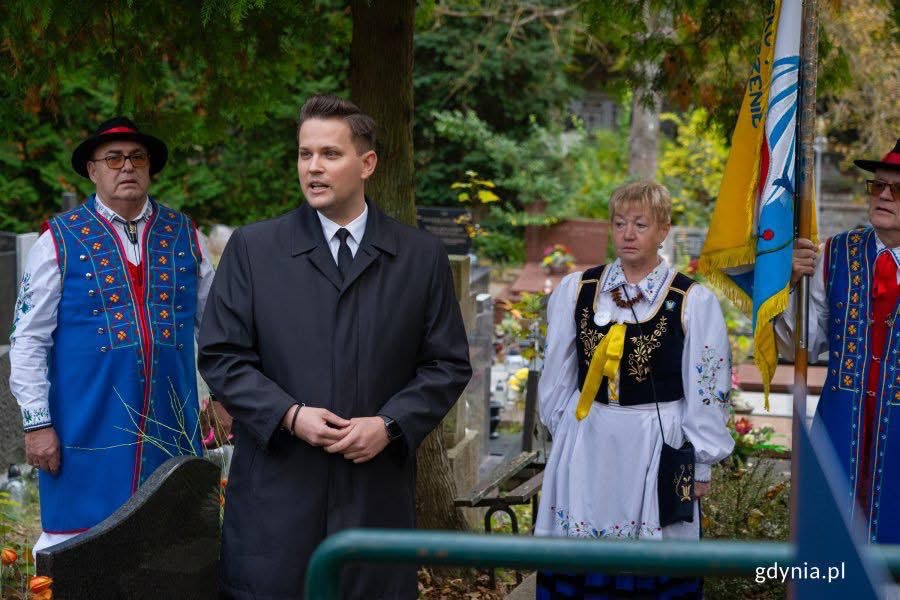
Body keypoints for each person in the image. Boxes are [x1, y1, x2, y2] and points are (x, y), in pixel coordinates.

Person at [198, 94, 472, 599]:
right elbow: (221, 356)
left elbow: (447, 363)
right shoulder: (254, 250)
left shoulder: (419, 256)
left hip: (374, 493)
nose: (313, 168)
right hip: (278, 492)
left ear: (367, 164)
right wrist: (289, 415)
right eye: (305, 154)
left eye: (330, 154)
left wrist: (390, 424)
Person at [9, 116, 215, 553]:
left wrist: (223, 395)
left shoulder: (185, 234)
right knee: (81, 552)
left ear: (150, 168)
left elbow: (217, 328)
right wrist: (36, 423)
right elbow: (28, 339)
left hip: (170, 424)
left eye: (137, 158)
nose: (127, 167)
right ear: (92, 170)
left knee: (173, 549)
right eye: (114, 159)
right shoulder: (58, 240)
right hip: (85, 426)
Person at [534, 182, 735, 598]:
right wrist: (567, 430)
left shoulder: (691, 300)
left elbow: (706, 385)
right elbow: (557, 370)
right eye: (620, 223)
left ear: (663, 230)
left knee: (651, 547)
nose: (628, 233)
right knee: (582, 538)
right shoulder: (578, 289)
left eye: (640, 225)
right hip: (588, 437)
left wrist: (700, 461)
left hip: (654, 442)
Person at [776, 138, 900, 544]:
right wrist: (789, 285)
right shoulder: (834, 253)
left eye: (897, 190)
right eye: (877, 186)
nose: (883, 196)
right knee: (830, 545)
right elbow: (802, 344)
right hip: (839, 426)